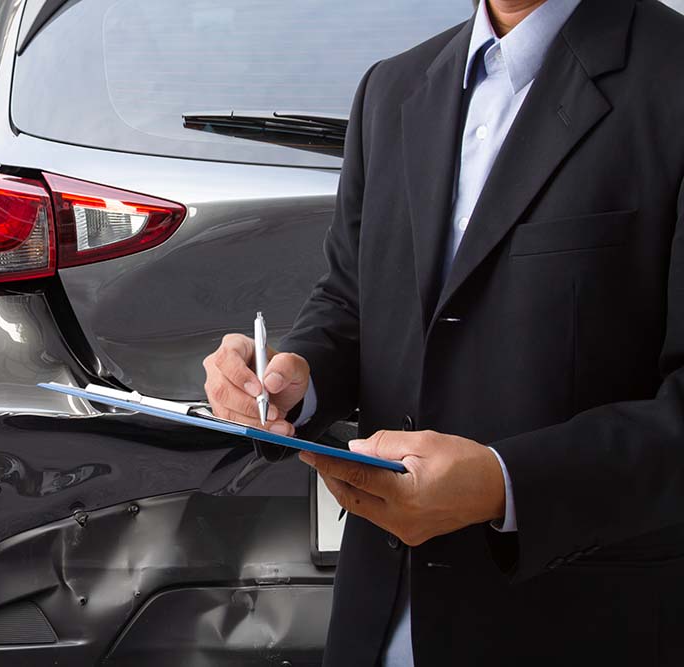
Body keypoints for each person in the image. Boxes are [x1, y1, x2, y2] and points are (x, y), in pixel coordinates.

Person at [202, 0, 684, 664]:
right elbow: (351, 301)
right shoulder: (394, 87)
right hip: (380, 621)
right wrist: (289, 382)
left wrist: (503, 483)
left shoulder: (671, 79)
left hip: (582, 623)